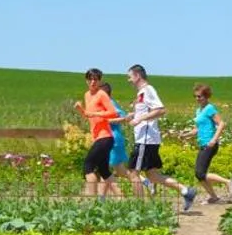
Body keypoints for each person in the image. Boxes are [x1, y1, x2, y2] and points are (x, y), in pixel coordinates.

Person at [127, 65, 197, 212]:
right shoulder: (141, 93)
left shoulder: (147, 90)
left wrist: (140, 119)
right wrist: (134, 116)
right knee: (152, 175)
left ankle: (139, 210)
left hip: (145, 140)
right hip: (147, 139)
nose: (129, 80)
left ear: (138, 76)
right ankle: (185, 191)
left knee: (133, 173)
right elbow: (147, 111)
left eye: (130, 77)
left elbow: (160, 110)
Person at [74, 68, 121, 197]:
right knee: (104, 171)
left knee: (88, 167)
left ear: (100, 81)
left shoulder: (101, 94)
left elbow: (113, 113)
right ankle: (123, 200)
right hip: (98, 138)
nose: (93, 81)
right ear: (86, 80)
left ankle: (92, 202)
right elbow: (88, 116)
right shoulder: (87, 95)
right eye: (90, 79)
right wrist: (80, 109)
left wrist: (94, 113)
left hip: (105, 137)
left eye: (96, 79)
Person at [191, 84, 232, 205]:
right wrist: (186, 135)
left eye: (200, 96)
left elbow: (221, 124)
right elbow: (197, 129)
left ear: (206, 96)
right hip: (203, 143)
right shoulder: (199, 111)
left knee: (200, 173)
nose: (197, 99)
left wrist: (214, 139)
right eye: (195, 96)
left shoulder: (209, 108)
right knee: (199, 174)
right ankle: (213, 197)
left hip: (210, 144)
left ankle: (228, 182)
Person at [101, 81, 130, 197]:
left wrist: (106, 120)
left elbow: (122, 117)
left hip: (112, 138)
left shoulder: (110, 104)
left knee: (108, 169)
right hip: (109, 138)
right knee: (113, 169)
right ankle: (102, 197)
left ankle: (142, 181)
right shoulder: (108, 104)